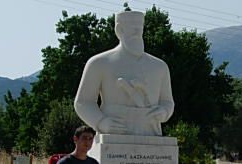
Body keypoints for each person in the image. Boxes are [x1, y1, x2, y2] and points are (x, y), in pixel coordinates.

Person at [74, 9, 174, 137]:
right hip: (114, 132)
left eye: (140, 28)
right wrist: (101, 122)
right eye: (133, 29)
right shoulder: (99, 63)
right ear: (119, 30)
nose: (138, 32)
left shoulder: (159, 66)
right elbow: (83, 102)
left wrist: (164, 112)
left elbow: (167, 101)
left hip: (150, 132)